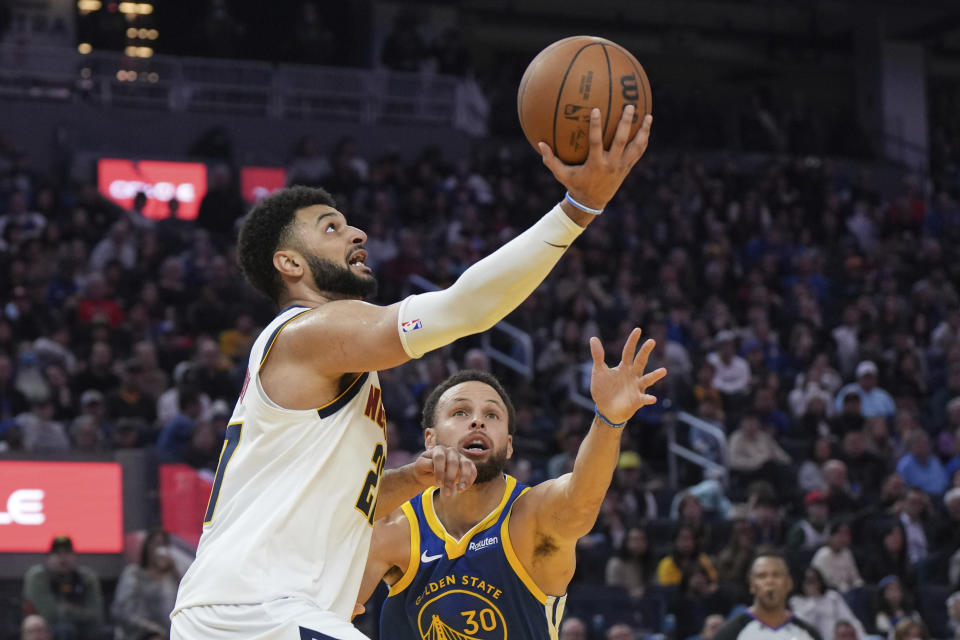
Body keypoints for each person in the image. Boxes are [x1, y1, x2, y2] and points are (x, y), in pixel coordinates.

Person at [171, 105, 654, 640]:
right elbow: (465, 308)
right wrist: (577, 208)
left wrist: (412, 478)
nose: (356, 233)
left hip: (252, 614)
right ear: (291, 264)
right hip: (258, 613)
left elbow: (344, 509)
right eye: (331, 228)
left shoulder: (326, 362)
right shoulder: (310, 332)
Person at [358, 329, 666, 639]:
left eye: (491, 414)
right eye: (460, 412)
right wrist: (411, 476)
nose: (477, 421)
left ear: (508, 446)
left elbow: (581, 498)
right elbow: (327, 602)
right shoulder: (395, 525)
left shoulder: (531, 516)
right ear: (430, 439)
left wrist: (609, 420)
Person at [712, 553, 823, 640]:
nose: (770, 581)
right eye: (762, 576)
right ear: (752, 585)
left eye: (776, 575)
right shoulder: (729, 633)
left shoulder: (808, 634)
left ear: (789, 583)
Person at [21, 536, 106, 640]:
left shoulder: (85, 577)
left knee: (100, 631)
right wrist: (76, 611)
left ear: (74, 557)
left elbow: (95, 614)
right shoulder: (38, 576)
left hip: (82, 626)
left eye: (67, 553)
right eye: (57, 554)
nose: (63, 558)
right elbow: (49, 613)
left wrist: (66, 610)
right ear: (49, 557)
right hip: (46, 626)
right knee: (64, 630)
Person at [112, 529, 181, 640]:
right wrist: (153, 631)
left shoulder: (172, 577)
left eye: (164, 545)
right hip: (139, 634)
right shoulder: (134, 573)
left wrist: (174, 571)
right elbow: (123, 611)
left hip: (170, 635)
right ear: (147, 547)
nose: (161, 549)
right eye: (157, 544)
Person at [787, 567, 866, 640]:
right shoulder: (796, 601)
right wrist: (813, 600)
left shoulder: (832, 596)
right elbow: (802, 626)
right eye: (809, 582)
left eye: (816, 580)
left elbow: (850, 619)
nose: (814, 585)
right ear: (802, 583)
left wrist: (863, 637)